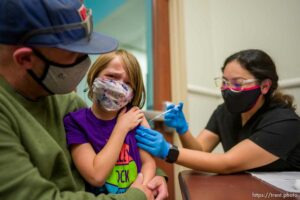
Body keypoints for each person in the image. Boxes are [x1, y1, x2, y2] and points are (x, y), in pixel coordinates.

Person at [0, 0, 168, 200]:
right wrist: (136, 196)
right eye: (73, 54)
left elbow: (136, 158)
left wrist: (156, 178)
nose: (85, 62)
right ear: (26, 59)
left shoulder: (68, 103)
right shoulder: (9, 114)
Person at [135, 49, 300, 173]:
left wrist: (167, 150)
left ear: (265, 86)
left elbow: (227, 163)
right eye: (224, 81)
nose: (227, 89)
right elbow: (200, 152)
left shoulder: (285, 122)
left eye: (237, 83)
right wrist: (183, 130)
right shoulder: (225, 112)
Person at [63, 49, 156, 195]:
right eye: (112, 76)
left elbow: (148, 163)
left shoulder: (136, 118)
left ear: (133, 93)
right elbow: (96, 176)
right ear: (94, 76)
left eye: (127, 83)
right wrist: (121, 127)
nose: (118, 87)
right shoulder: (76, 123)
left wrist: (142, 191)